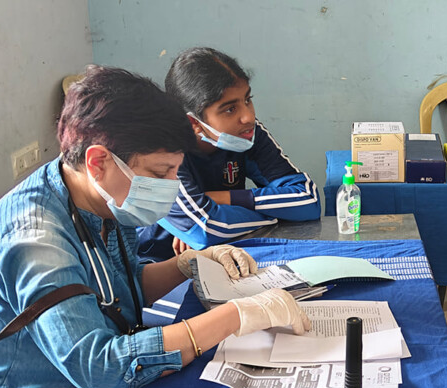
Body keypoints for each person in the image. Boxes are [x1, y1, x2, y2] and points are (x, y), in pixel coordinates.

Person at [0, 66, 311, 388]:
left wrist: (187, 263)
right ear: (98, 162)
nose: (172, 184)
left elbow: (117, 290)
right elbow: (101, 368)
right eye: (161, 173)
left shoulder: (100, 200)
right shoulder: (34, 242)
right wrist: (237, 316)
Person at [136, 47, 320, 262]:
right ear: (193, 122)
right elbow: (205, 230)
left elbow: (307, 199)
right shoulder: (161, 150)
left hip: (228, 256)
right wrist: (275, 216)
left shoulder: (247, 134)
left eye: (247, 99)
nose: (248, 116)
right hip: (159, 265)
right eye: (230, 109)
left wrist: (222, 199)